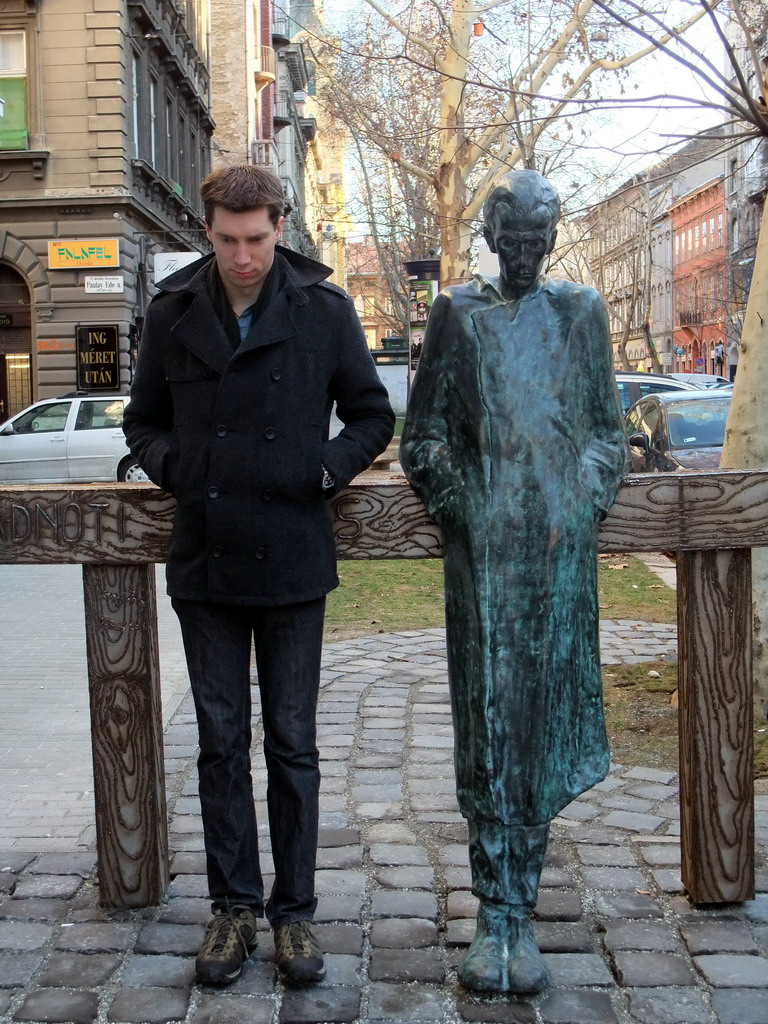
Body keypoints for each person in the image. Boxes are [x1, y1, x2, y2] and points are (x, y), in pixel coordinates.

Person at [123, 165, 395, 987]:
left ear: (280, 227)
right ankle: (233, 909)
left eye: (258, 239)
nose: (244, 256)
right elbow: (142, 420)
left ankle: (296, 917)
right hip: (205, 556)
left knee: (293, 745)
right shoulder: (172, 314)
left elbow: (372, 413)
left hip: (292, 553)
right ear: (207, 231)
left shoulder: (323, 310)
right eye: (228, 239)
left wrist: (323, 472)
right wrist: (183, 469)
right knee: (217, 744)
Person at [400, 170, 628, 995]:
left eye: (539, 241)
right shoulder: (457, 313)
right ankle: (491, 912)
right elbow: (421, 438)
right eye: (514, 241)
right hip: (485, 562)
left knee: (538, 731)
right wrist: (468, 511)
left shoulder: (582, 314)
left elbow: (608, 434)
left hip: (557, 560)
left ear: (551, 240)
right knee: (488, 731)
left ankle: (521, 913)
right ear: (492, 238)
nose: (526, 256)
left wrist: (579, 498)